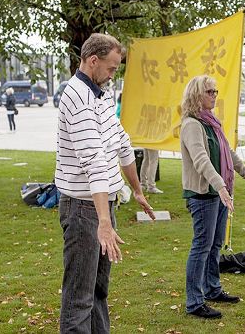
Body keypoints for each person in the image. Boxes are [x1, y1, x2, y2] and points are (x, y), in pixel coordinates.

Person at [55, 33, 156, 333]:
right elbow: (94, 163)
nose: (114, 74)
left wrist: (137, 190)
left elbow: (122, 144)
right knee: (79, 298)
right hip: (83, 208)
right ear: (93, 60)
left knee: (99, 291)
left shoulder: (101, 92)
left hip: (102, 206)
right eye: (111, 68)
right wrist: (103, 221)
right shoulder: (77, 96)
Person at [180, 75, 245, 319]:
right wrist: (221, 187)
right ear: (196, 94)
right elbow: (201, 160)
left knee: (215, 245)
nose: (214, 94)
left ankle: (212, 289)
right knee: (201, 246)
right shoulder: (192, 124)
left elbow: (228, 152)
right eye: (209, 91)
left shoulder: (212, 122)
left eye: (215, 91)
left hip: (219, 193)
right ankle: (194, 302)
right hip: (203, 194)